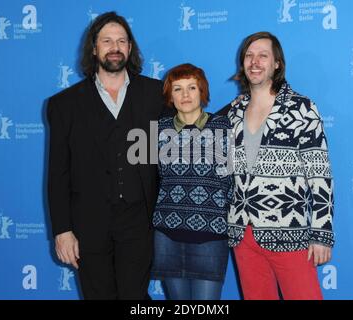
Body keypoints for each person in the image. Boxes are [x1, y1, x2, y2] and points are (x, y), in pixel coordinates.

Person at [46, 11, 167, 299]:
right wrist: (62, 230)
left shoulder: (156, 95)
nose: (115, 47)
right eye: (107, 40)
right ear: (94, 48)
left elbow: (188, 130)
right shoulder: (64, 105)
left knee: (135, 297)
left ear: (130, 48)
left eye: (122, 41)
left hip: (139, 222)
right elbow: (57, 173)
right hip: (89, 223)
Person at [218, 32, 334, 300]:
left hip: (288, 230)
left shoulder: (302, 108)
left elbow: (320, 174)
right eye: (249, 55)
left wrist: (322, 233)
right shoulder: (231, 113)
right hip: (242, 233)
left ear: (277, 64)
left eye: (263, 56)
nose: (254, 62)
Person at [151, 63, 234, 300]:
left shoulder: (222, 126)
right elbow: (153, 180)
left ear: (202, 91)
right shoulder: (158, 130)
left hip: (210, 235)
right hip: (167, 234)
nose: (185, 95)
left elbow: (231, 181)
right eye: (177, 89)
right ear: (170, 95)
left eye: (191, 87)